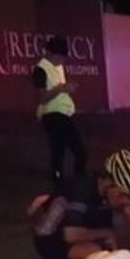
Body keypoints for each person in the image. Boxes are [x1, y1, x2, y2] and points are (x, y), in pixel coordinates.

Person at [32, 36, 87, 186]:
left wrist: (66, 89)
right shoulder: (40, 70)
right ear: (49, 53)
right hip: (52, 115)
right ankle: (78, 182)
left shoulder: (58, 67)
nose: (61, 60)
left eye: (63, 56)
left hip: (62, 113)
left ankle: (60, 182)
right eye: (59, 56)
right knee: (78, 150)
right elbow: (42, 97)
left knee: (59, 150)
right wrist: (61, 88)